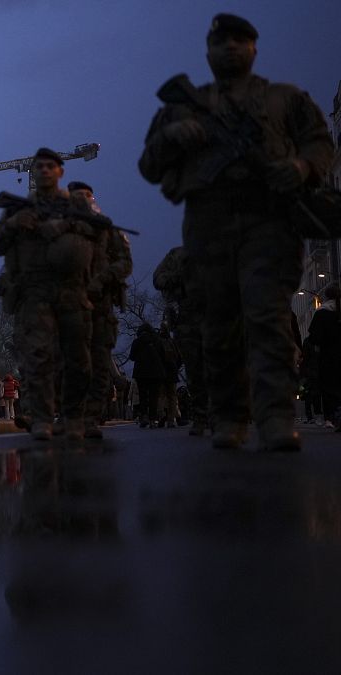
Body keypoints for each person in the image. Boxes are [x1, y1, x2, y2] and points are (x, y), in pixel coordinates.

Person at [138, 13, 334, 451]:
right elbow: (149, 165)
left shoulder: (284, 99)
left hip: (269, 223)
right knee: (220, 323)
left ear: (254, 48)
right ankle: (230, 417)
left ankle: (277, 416)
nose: (230, 48)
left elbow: (320, 142)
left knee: (267, 318)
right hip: (210, 227)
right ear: (207, 51)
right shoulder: (184, 106)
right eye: (221, 42)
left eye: (240, 40)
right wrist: (174, 137)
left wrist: (302, 167)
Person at [0, 148, 98, 443]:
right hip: (35, 292)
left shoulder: (75, 206)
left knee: (77, 357)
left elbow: (97, 234)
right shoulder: (17, 209)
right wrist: (14, 224)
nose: (44, 171)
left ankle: (74, 416)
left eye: (51, 166)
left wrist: (64, 225)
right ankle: (41, 418)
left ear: (61, 171)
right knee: (37, 355)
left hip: (70, 290)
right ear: (33, 173)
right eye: (39, 167)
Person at [67, 181, 132, 439]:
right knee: (72, 361)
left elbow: (125, 262)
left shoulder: (107, 228)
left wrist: (104, 278)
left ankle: (91, 417)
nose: (81, 200)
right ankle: (72, 414)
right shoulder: (62, 229)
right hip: (71, 304)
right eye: (76, 196)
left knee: (99, 361)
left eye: (85, 196)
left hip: (100, 305)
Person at [152, 246, 209, 435]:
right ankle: (201, 415)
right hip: (188, 318)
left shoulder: (221, 249)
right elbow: (158, 278)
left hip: (216, 316)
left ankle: (220, 415)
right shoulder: (178, 255)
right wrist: (180, 278)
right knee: (194, 367)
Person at [304, 283, 341, 430]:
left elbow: (314, 338)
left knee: (329, 386)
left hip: (328, 356)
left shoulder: (322, 312)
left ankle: (331, 417)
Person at [129, 324, 168, 428]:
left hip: (141, 372)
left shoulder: (137, 342)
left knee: (142, 396)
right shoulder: (158, 341)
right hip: (156, 372)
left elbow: (132, 357)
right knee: (154, 396)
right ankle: (153, 419)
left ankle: (144, 416)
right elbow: (164, 356)